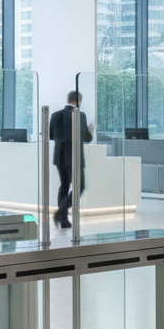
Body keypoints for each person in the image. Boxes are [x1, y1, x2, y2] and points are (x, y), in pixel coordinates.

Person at [49, 90, 93, 228]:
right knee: (80, 186)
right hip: (74, 156)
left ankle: (63, 220)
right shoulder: (79, 115)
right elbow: (86, 138)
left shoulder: (55, 115)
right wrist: (90, 130)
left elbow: (51, 136)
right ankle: (60, 211)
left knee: (64, 185)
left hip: (59, 156)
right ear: (78, 100)